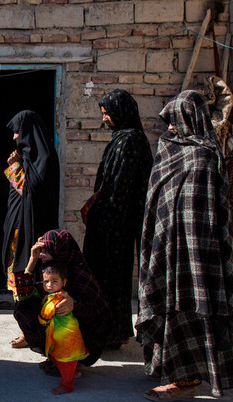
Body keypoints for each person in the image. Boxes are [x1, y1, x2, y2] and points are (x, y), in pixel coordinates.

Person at [137, 90, 233, 402]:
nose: (169, 128)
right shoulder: (167, 153)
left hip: (198, 253)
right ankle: (171, 370)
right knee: (166, 308)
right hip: (164, 246)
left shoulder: (207, 155)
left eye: (175, 121)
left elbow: (215, 209)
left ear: (190, 119)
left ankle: (187, 382)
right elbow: (158, 200)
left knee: (194, 311)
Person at [82, 89, 153, 349]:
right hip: (112, 220)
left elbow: (119, 185)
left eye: (107, 113)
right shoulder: (123, 138)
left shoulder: (130, 140)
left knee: (111, 277)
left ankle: (111, 332)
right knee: (110, 277)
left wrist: (100, 208)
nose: (105, 119)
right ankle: (110, 331)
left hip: (116, 223)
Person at [15, 229, 110, 373]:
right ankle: (55, 357)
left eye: (46, 250)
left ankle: (74, 361)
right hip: (57, 330)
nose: (42, 254)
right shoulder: (49, 270)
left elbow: (101, 313)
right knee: (24, 310)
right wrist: (32, 261)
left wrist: (75, 304)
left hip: (83, 338)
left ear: (60, 249)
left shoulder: (80, 275)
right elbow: (24, 296)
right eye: (41, 249)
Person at [3, 110, 60, 349]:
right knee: (19, 285)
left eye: (18, 130)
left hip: (33, 236)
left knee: (34, 282)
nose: (15, 136)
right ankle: (29, 330)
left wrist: (15, 167)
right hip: (18, 232)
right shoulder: (29, 159)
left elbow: (32, 192)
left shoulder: (44, 159)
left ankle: (37, 333)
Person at [38, 261, 89, 395]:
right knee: (59, 357)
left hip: (66, 338)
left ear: (64, 282)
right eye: (46, 281)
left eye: (54, 281)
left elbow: (46, 313)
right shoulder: (59, 294)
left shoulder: (58, 298)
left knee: (65, 360)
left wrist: (41, 320)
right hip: (62, 335)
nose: (49, 285)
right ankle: (74, 373)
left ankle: (67, 385)